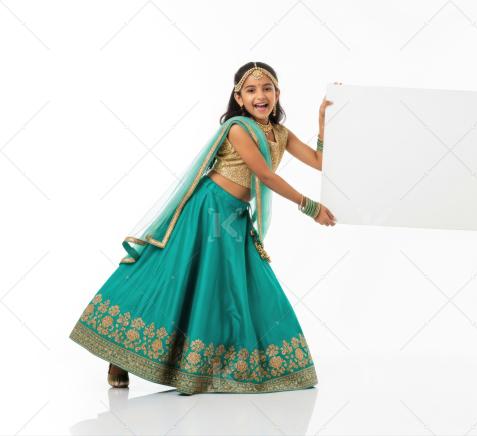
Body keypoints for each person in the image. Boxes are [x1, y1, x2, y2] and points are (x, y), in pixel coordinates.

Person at [69, 61, 336, 394]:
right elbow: (265, 176)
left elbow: (320, 162)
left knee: (242, 286)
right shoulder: (238, 128)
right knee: (171, 278)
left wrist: (323, 120)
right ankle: (118, 352)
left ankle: (221, 364)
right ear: (239, 98)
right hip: (206, 211)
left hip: (234, 217)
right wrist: (311, 207)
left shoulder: (280, 134)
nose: (260, 96)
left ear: (277, 94)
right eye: (251, 90)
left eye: (267, 88)